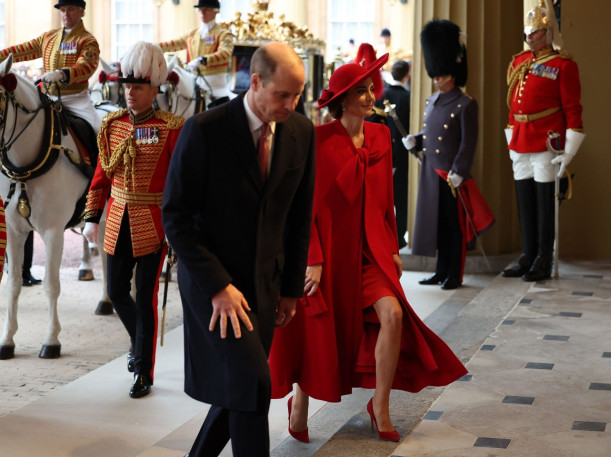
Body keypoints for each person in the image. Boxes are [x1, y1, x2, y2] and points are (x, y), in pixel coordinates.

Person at [268, 43, 467, 444]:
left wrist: (393, 246)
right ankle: (301, 400)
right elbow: (302, 209)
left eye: (370, 89)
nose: (371, 96)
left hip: (372, 253)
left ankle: (380, 406)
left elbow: (386, 202)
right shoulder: (318, 139)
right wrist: (313, 259)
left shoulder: (379, 136)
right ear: (341, 101)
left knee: (392, 314)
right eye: (360, 91)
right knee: (320, 332)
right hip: (329, 254)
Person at [161, 42, 315, 457]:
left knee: (239, 390)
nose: (291, 103)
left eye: (298, 94)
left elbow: (299, 218)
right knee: (253, 385)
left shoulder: (301, 132)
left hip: (265, 287)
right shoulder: (205, 130)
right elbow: (174, 217)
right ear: (257, 81)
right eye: (283, 94)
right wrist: (218, 287)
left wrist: (289, 289)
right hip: (212, 287)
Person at [83, 42, 185, 399]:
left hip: (153, 223)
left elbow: (180, 184)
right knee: (115, 291)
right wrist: (92, 216)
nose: (130, 93)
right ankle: (139, 340)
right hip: (117, 220)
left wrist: (177, 229)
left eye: (138, 87)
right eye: (126, 87)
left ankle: (143, 369)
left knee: (145, 298)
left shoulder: (172, 127)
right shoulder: (111, 126)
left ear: (154, 90)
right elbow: (101, 177)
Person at [402, 20, 494, 290]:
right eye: (434, 74)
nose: (435, 78)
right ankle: (440, 270)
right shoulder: (432, 101)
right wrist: (415, 141)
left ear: (451, 72)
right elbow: (429, 135)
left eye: (439, 74)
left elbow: (468, 142)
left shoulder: (466, 104)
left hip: (451, 175)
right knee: (438, 225)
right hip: (432, 172)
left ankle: (454, 273)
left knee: (455, 228)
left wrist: (459, 172)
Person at [502, 0, 584, 281]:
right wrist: (511, 136)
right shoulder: (519, 61)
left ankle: (543, 259)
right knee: (524, 199)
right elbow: (512, 104)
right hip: (521, 138)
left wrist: (569, 151)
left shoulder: (563, 64)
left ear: (547, 33)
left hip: (547, 140)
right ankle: (527, 254)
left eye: (535, 32)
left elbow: (573, 109)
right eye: (528, 32)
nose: (530, 36)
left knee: (544, 202)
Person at [0, 0, 101, 132]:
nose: (66, 14)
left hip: (75, 99)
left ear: (81, 11)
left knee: (97, 130)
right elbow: (22, 50)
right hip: (46, 96)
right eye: (63, 10)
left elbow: (86, 66)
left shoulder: (87, 40)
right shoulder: (49, 37)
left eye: (71, 9)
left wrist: (62, 74)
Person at [369, 59, 412, 248]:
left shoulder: (381, 95)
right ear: (406, 75)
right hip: (402, 155)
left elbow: (373, 122)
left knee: (381, 197)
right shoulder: (410, 97)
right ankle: (400, 237)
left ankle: (380, 233)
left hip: (383, 153)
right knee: (401, 197)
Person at [158, 0, 234, 105]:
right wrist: (154, 47)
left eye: (206, 10)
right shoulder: (193, 34)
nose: (202, 13)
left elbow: (225, 54)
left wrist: (203, 60)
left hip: (215, 85)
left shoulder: (224, 34)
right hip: (193, 83)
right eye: (200, 10)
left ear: (216, 11)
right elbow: (174, 44)